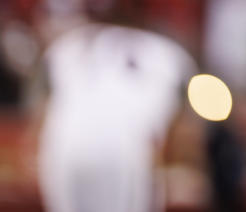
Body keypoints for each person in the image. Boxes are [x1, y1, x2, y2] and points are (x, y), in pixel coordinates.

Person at [35, 18, 195, 212]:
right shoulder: (170, 52)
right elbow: (183, 134)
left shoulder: (71, 42)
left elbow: (42, 106)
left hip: (63, 145)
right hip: (126, 150)